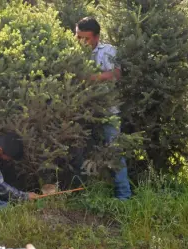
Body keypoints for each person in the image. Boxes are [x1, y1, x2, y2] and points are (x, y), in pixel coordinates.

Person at [75, 17, 131, 200]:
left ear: (97, 37)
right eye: (78, 38)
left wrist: (91, 77)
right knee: (80, 152)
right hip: (82, 112)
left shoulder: (108, 51)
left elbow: (116, 73)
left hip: (108, 111)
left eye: (86, 38)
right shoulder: (73, 52)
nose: (81, 42)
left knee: (115, 152)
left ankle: (123, 196)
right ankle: (84, 193)